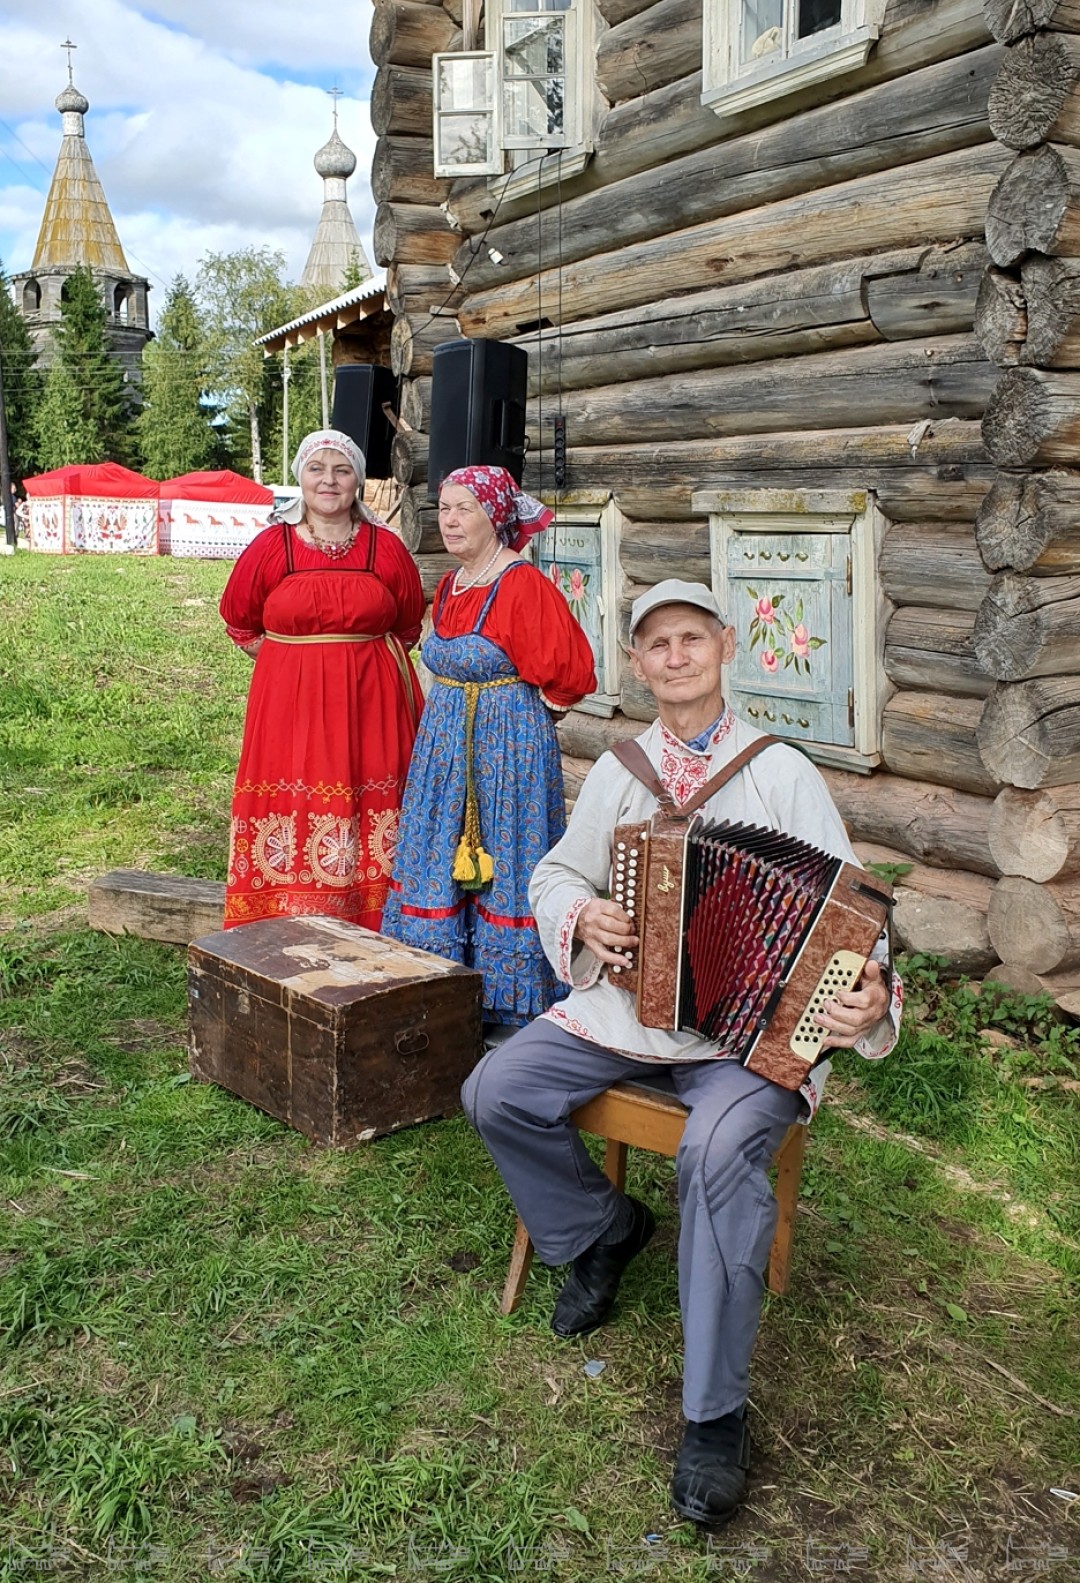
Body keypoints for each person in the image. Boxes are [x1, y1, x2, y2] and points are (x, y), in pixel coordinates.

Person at [462, 580, 903, 1531]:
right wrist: (584, 914)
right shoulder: (623, 769)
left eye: (690, 638)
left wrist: (871, 996)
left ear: (724, 646)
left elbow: (854, 920)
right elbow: (555, 872)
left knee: (712, 1154)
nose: (673, 655)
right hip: (628, 1016)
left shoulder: (780, 771)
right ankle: (601, 1231)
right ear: (637, 663)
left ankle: (713, 1413)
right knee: (496, 1086)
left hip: (747, 1038)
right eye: (655, 643)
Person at [382, 465, 596, 1027]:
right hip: (444, 750)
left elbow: (570, 674)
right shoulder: (451, 585)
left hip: (506, 752)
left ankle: (506, 1006)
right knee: (436, 853)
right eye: (445, 509)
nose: (450, 521)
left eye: (464, 509)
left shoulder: (523, 585)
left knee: (506, 860)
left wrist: (519, 726)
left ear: (495, 518)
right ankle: (436, 982)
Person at [220, 429, 424, 931]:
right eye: (317, 469)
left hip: (373, 704)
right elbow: (239, 619)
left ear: (357, 481)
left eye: (342, 470)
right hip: (290, 706)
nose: (328, 481)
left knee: (369, 794)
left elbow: (408, 624)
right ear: (300, 479)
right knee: (297, 794)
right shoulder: (272, 547)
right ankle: (282, 917)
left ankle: (379, 919)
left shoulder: (386, 549)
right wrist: (292, 669)